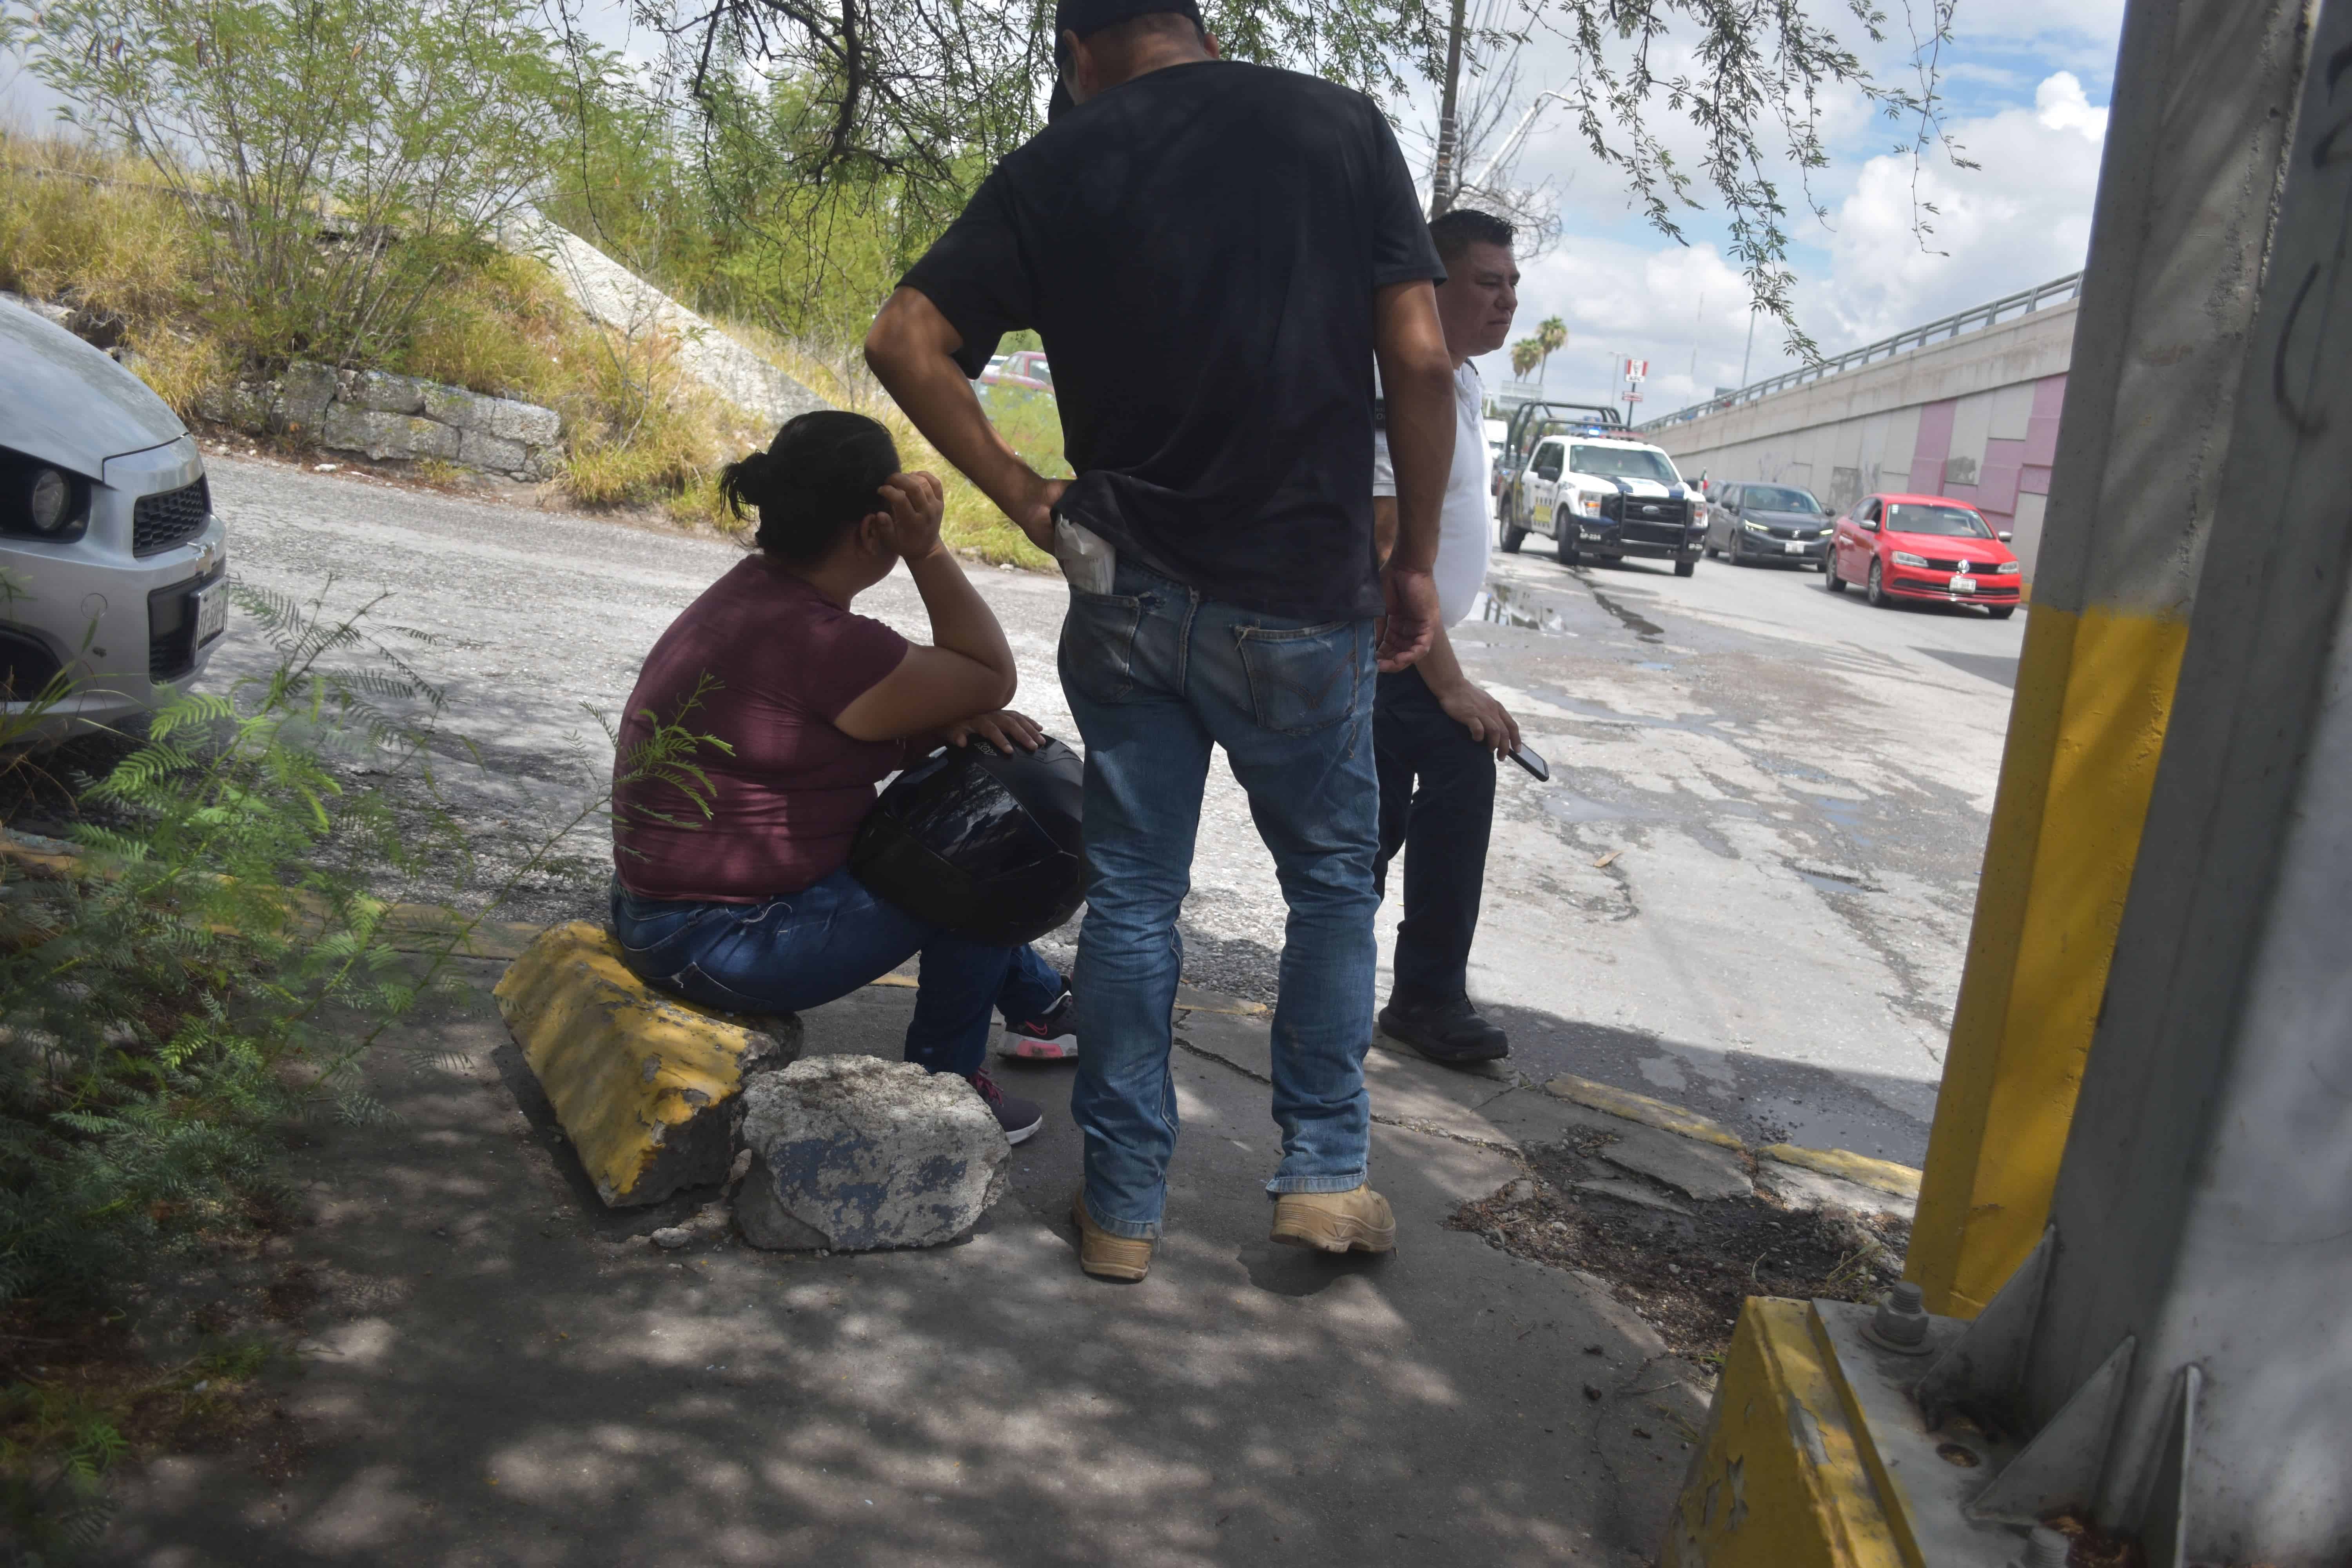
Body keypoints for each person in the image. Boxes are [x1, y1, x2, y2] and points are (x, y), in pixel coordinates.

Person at [864, 0, 1459, 1282]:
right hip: (1304, 594)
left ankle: (1123, 1210)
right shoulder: (1338, 127)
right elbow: (1418, 357)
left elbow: (904, 339)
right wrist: (1411, 554)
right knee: (1330, 885)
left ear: (1080, 52)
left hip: (1127, 595)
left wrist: (1024, 495)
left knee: (1135, 896)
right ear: (1195, 23)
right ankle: (1322, 1178)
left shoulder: (1056, 165)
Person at [606, 410, 1076, 1144]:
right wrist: (927, 553)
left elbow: (829, 732)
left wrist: (936, 719)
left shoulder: (751, 598)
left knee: (950, 815)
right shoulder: (822, 642)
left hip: (660, 918)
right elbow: (992, 676)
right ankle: (947, 1097)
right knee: (989, 859)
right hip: (723, 942)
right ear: (873, 528)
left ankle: (1043, 1005)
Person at [1370, 208, 1524, 1066]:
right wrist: (1452, 682)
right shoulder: (1401, 374)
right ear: (1435, 283)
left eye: (1513, 287)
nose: (1506, 303)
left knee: (1456, 767)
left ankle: (1425, 994)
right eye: (1487, 283)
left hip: (1408, 648)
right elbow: (1387, 542)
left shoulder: (1459, 377)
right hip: (1379, 643)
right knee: (1365, 831)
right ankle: (1386, 992)